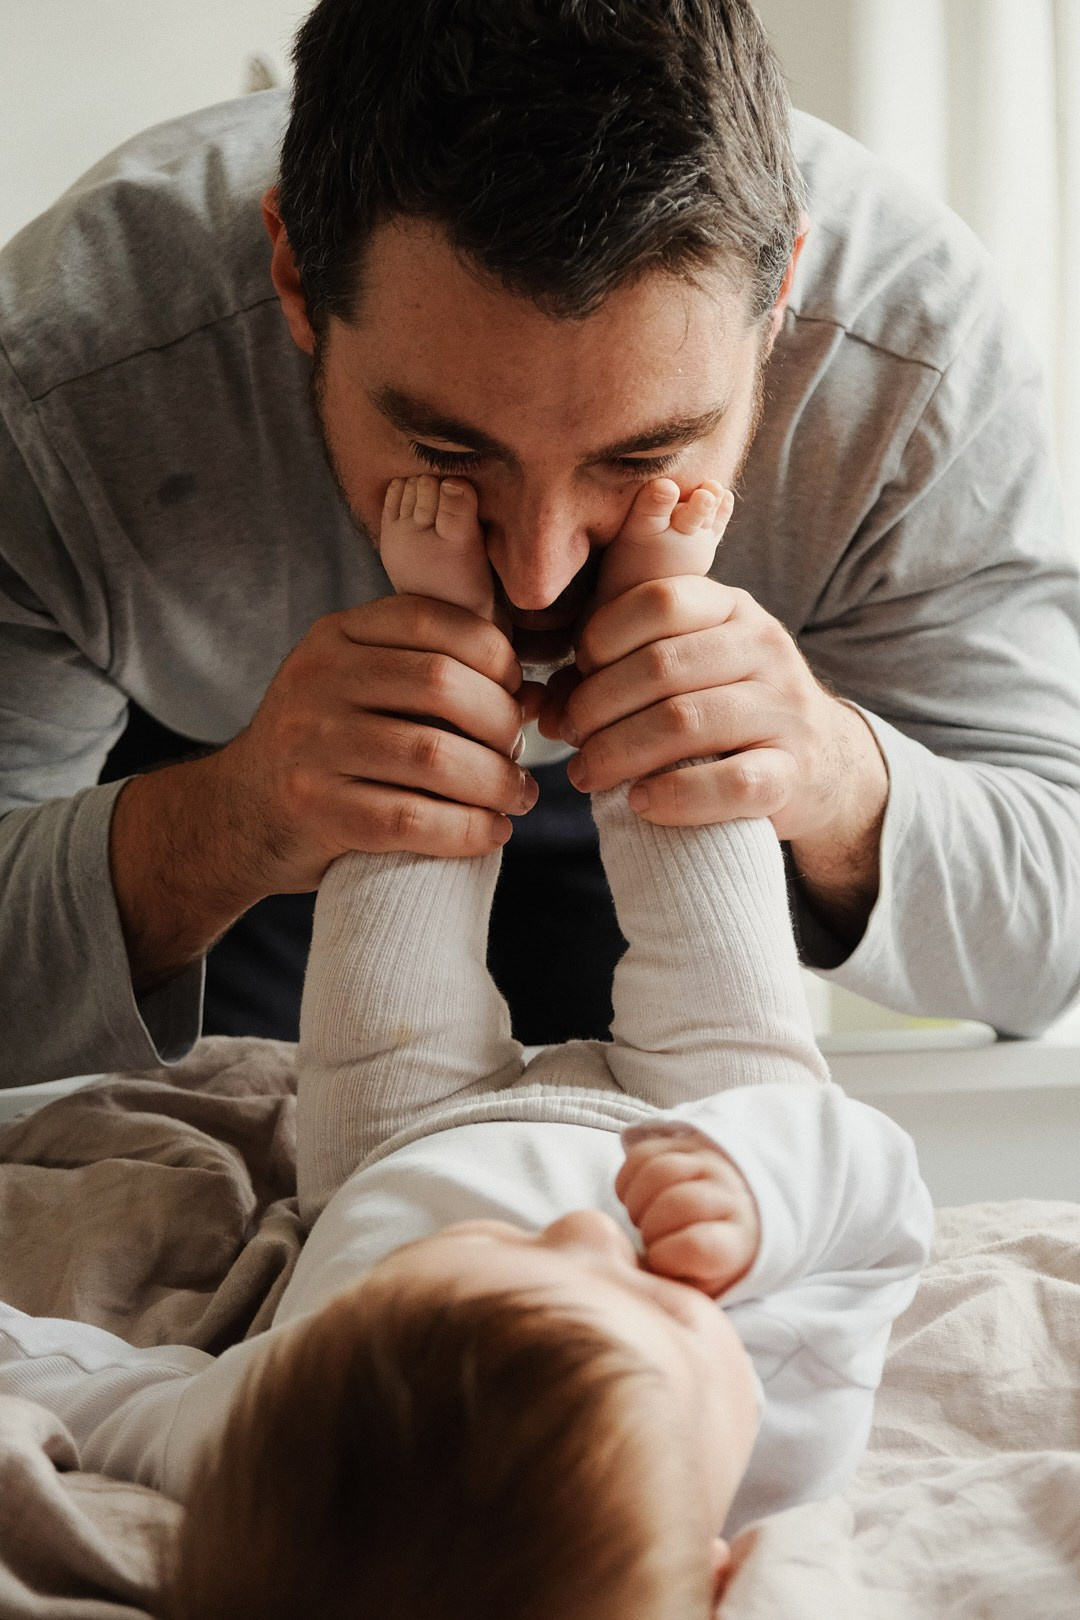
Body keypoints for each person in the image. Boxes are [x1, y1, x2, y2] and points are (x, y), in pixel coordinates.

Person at [3, 0, 1080, 1085]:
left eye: (643, 455)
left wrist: (839, 779)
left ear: (779, 296)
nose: (538, 577)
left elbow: (1060, 930)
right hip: (227, 778)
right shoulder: (58, 380)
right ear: (294, 277)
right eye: (445, 450)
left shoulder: (914, 363)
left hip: (648, 795)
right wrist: (218, 824)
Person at [0, 493, 933, 1620]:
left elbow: (77, 1387)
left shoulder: (278, 1436)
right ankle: (648, 618)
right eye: (652, 1307)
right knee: (709, 876)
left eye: (494, 1263)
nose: (589, 1232)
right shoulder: (793, 1434)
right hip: (713, 1114)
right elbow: (881, 1201)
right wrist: (762, 1198)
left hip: (403, 1138)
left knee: (402, 854)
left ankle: (439, 624)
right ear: (720, 1570)